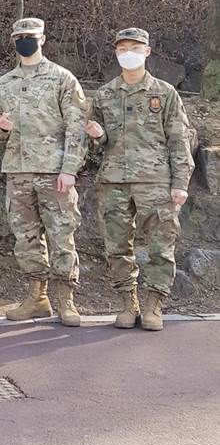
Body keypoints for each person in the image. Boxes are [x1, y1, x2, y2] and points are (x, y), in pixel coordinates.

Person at [85, 28, 194, 331]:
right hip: (114, 182)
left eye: (135, 48)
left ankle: (153, 304)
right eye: (123, 48)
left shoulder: (164, 93)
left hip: (155, 182)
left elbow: (179, 141)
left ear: (147, 51)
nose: (128, 53)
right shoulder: (104, 95)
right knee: (116, 246)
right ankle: (127, 302)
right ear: (116, 52)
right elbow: (95, 146)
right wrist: (97, 136)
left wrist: (180, 183)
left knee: (161, 246)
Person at [0, 18, 87, 327]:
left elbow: (77, 127)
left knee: (61, 235)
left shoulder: (62, 78)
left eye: (30, 36)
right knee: (26, 239)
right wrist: (0, 127)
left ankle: (66, 300)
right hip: (18, 171)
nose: (24, 41)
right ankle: (37, 298)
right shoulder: (6, 82)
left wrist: (70, 169)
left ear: (42, 39)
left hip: (53, 172)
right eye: (19, 37)